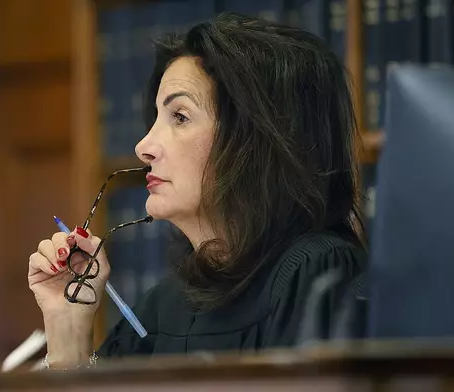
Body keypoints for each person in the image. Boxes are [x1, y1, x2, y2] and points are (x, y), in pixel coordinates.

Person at [28, 12, 367, 369]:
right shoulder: (166, 304)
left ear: (254, 140)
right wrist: (68, 329)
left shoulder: (317, 272)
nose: (144, 146)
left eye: (180, 116)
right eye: (156, 117)